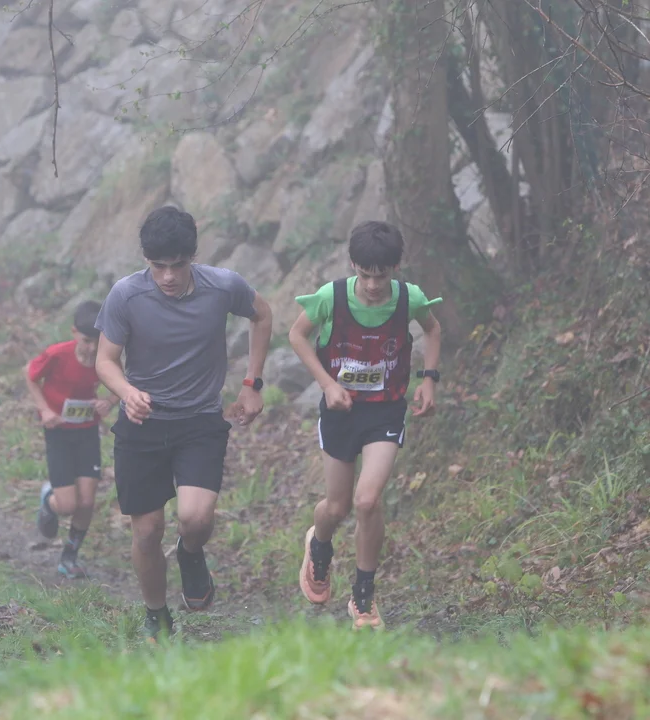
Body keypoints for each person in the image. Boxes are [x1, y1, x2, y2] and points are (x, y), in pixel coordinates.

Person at [94, 205, 272, 642]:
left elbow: (262, 315)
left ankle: (190, 553)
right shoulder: (126, 295)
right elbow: (105, 361)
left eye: (177, 265)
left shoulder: (222, 286)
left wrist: (252, 384)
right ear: (146, 259)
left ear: (193, 256)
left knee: (195, 519)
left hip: (199, 420)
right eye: (159, 266)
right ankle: (156, 615)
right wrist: (127, 393)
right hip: (143, 423)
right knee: (147, 530)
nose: (168, 276)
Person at [287, 220, 442, 630]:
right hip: (340, 412)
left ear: (396, 268)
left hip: (385, 411)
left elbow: (433, 329)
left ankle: (363, 596)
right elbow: (297, 336)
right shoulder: (331, 297)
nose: (373, 285)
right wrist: (327, 384)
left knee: (368, 501)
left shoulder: (409, 299)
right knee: (336, 507)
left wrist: (429, 379)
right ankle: (319, 545)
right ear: (353, 265)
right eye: (365, 274)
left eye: (382, 276)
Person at [26, 300, 119, 579]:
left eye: (97, 342)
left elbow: (121, 382)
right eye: (87, 341)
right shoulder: (57, 354)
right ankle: (48, 500)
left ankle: (69, 556)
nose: (91, 348)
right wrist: (44, 410)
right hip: (58, 432)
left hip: (87, 432)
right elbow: (31, 376)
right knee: (67, 506)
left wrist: (108, 402)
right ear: (74, 332)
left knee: (87, 502)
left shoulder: (106, 359)